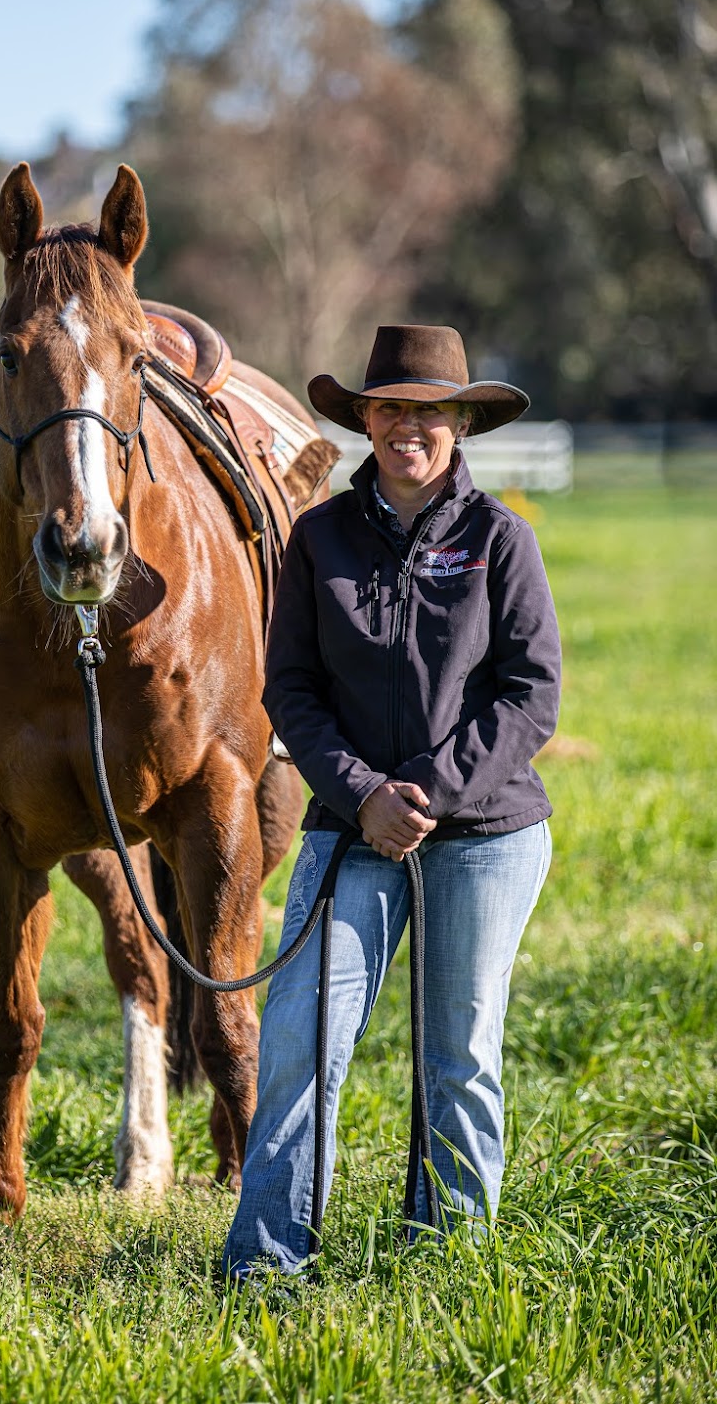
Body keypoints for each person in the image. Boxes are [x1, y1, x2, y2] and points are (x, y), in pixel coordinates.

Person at [223, 324, 561, 1277]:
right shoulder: (318, 537)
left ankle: (448, 1259)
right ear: (365, 418)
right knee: (299, 1034)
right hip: (350, 827)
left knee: (458, 1051)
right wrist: (365, 795)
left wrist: (432, 794)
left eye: (430, 409)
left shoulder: (501, 539)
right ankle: (266, 1262)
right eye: (390, 407)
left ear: (460, 422)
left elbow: (531, 694)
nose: (408, 425)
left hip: (488, 832)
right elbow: (289, 687)